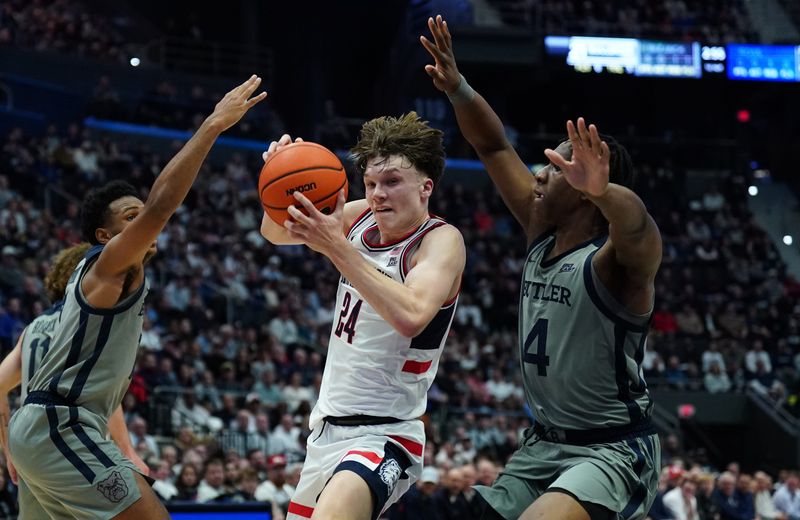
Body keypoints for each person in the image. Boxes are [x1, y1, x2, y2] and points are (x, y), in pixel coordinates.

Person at [422, 15, 662, 520]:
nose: (538, 173)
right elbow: (491, 146)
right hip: (543, 446)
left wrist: (606, 192)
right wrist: (458, 87)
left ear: (583, 192)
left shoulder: (614, 265)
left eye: (555, 169)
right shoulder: (540, 229)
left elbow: (640, 229)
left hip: (611, 449)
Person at [7, 74, 266, 519]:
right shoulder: (108, 265)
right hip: (61, 425)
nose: (143, 221)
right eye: (131, 216)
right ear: (106, 236)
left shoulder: (116, 279)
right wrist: (211, 127)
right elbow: (161, 207)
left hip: (41, 429)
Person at [260, 112, 465, 520]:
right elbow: (275, 232)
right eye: (370, 183)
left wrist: (337, 248)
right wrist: (277, 175)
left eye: (391, 182)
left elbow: (412, 315)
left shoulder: (440, 241)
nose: (377, 194)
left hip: (387, 433)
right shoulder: (357, 218)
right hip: (325, 430)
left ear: (426, 187)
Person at [0, 243, 148, 519]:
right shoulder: (83, 321)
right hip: (71, 442)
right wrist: (127, 449)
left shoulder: (32, 328)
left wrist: (9, 449)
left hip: (30, 448)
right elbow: (93, 385)